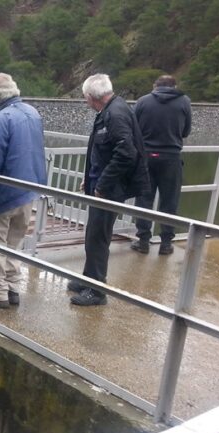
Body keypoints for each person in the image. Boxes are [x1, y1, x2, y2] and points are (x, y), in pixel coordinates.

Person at [68, 74, 150, 306]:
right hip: (103, 186)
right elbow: (105, 153)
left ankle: (96, 291)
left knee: (98, 237)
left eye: (85, 97)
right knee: (93, 234)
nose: (85, 101)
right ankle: (88, 278)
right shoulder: (111, 110)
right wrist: (91, 179)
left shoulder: (115, 115)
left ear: (91, 97)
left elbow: (127, 153)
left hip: (110, 190)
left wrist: (102, 185)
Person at [0, 73, 47, 308]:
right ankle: (12, 288)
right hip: (28, 192)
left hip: (2, 196)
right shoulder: (32, 113)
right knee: (13, 243)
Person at [131, 75, 192, 255]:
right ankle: (166, 243)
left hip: (146, 156)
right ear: (175, 86)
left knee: (144, 199)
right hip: (171, 157)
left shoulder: (143, 102)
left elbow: (133, 129)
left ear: (155, 86)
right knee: (169, 201)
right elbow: (186, 130)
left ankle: (143, 240)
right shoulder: (184, 102)